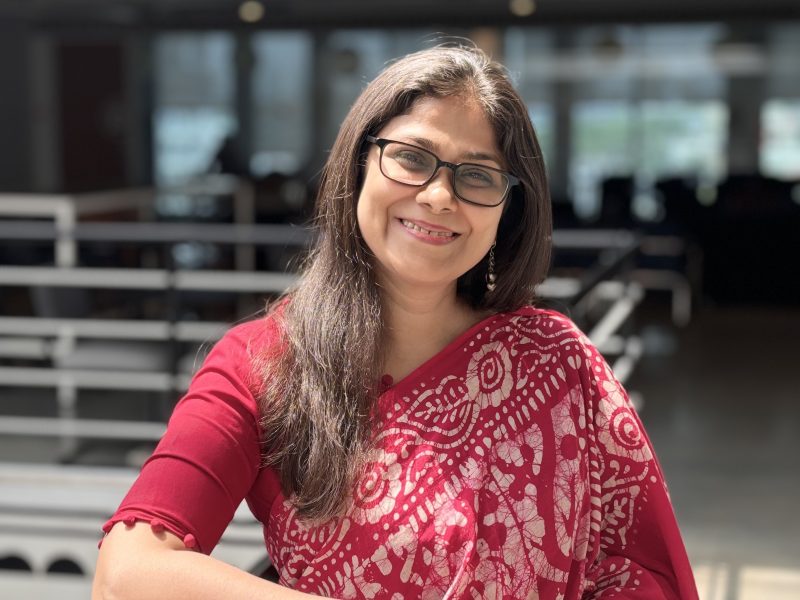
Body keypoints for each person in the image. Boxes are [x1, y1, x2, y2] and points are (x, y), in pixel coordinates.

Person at [93, 43, 699, 600]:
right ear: (358, 166)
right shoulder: (264, 366)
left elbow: (640, 574)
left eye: (477, 174)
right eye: (411, 157)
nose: (439, 196)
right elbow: (126, 574)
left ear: (506, 211)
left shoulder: (557, 363)